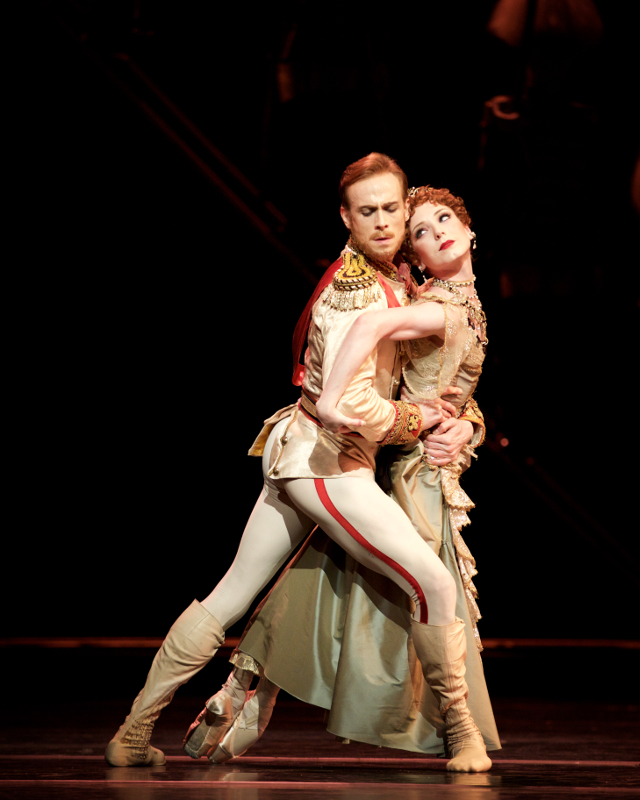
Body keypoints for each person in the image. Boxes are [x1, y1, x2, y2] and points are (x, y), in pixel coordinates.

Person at [105, 153, 475, 769]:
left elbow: (435, 376)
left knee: (230, 594)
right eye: (368, 211)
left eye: (391, 208)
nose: (383, 221)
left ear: (404, 204)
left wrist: (460, 420)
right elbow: (349, 405)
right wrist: (423, 421)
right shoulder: (355, 291)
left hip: (306, 455)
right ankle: (460, 731)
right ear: (345, 217)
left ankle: (132, 733)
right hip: (329, 462)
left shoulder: (394, 276)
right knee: (432, 581)